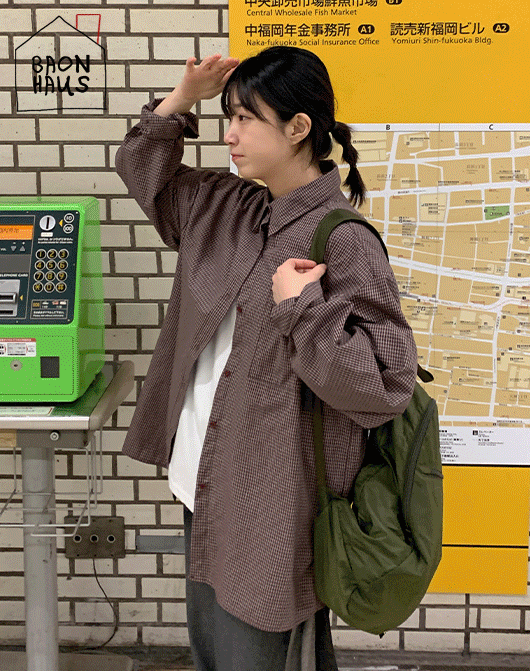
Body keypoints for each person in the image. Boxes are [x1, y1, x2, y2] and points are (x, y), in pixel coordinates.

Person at [115, 47, 417, 671]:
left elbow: (382, 388)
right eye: (228, 116)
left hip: (272, 495)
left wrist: (303, 308)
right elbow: (141, 169)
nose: (229, 135)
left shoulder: (343, 240)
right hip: (202, 475)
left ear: (299, 127)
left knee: (256, 652)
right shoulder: (225, 208)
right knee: (216, 649)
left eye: (246, 119)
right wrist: (182, 99)